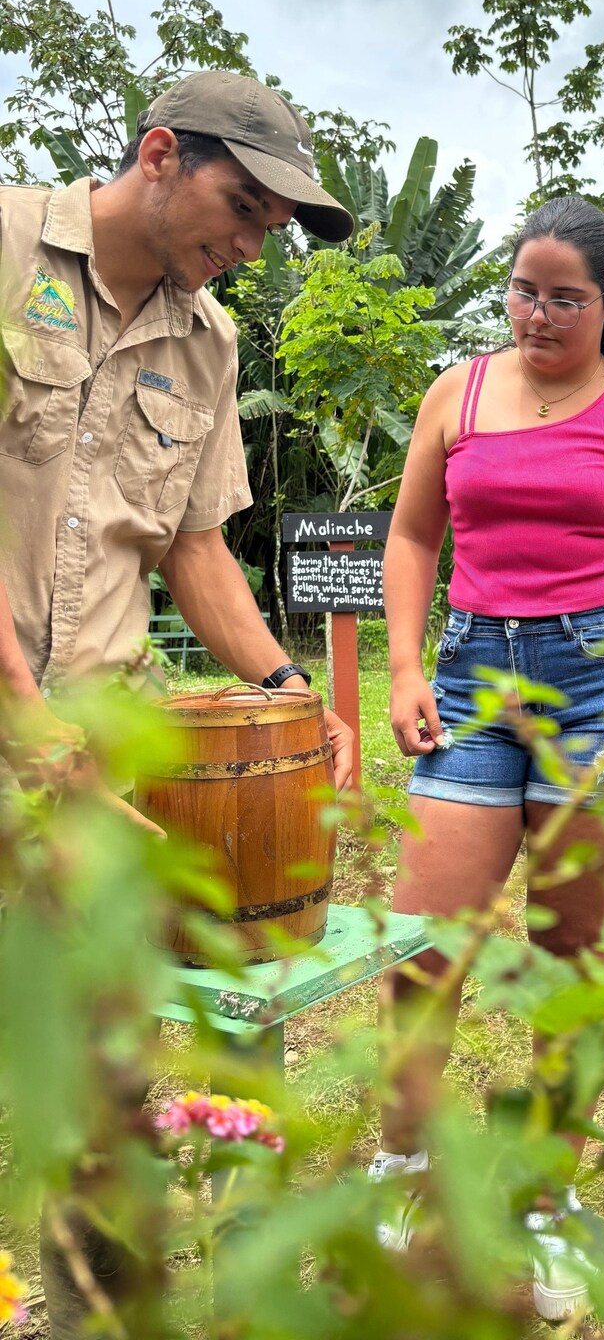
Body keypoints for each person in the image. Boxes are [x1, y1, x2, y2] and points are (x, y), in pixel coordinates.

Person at [0, 69, 357, 1334]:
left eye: (269, 227)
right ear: (159, 153)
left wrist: (284, 686)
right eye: (242, 207)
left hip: (97, 759)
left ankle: (107, 1314)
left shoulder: (209, 343)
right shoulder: (4, 248)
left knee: (108, 1062)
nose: (251, 245)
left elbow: (195, 548)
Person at [375, 195, 604, 1318]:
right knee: (424, 949)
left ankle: (547, 1198)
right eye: (524, 290)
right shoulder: (456, 392)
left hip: (602, 693)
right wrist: (406, 667)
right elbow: (415, 533)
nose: (538, 313)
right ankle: (409, 1170)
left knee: (568, 967)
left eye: (565, 297)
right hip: (472, 683)